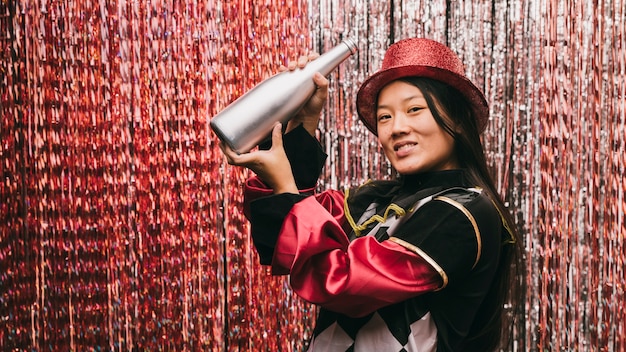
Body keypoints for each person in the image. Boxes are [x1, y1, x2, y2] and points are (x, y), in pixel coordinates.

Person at [220, 37, 523, 352]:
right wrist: (300, 124)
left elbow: (343, 284)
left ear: (458, 120)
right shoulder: (372, 198)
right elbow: (280, 235)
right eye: (385, 117)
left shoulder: (465, 212)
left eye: (415, 109)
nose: (397, 128)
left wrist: (286, 188)